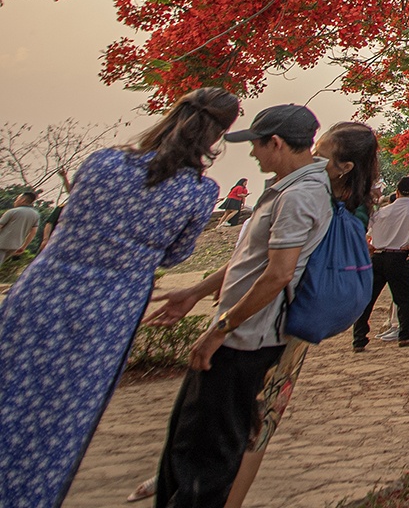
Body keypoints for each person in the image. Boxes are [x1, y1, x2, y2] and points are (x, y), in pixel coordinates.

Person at [0, 88, 238, 508]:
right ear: (218, 134)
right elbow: (176, 253)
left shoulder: (104, 161)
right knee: (64, 414)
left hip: (44, 287)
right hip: (111, 305)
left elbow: (70, 218)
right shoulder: (198, 192)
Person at [143, 103, 333, 508]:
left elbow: (278, 274)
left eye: (256, 145)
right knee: (187, 441)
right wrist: (196, 290)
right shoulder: (288, 188)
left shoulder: (300, 194)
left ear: (277, 143)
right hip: (239, 334)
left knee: (206, 457)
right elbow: (254, 261)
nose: (252, 155)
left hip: (247, 340)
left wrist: (219, 330)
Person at [221, 122, 378, 508]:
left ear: (343, 167)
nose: (311, 159)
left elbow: (277, 270)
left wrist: (224, 323)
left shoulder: (316, 202)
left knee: (254, 420)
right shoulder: (353, 208)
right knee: (260, 420)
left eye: (321, 155)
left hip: (277, 320)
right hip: (296, 322)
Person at [354, 174, 409, 350]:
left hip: (378, 256)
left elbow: (363, 229)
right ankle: (405, 335)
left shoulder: (382, 211)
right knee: (404, 299)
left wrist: (368, 245)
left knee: (368, 299)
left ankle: (359, 339)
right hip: (399, 256)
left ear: (396, 190)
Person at [0, 188, 41, 265]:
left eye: (17, 199)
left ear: (22, 200)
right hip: (15, 246)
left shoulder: (12, 212)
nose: (15, 201)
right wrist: (24, 246)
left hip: (2, 243)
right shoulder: (35, 215)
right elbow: (33, 232)